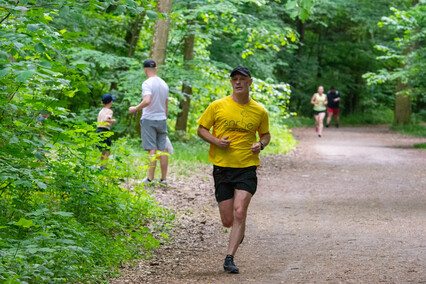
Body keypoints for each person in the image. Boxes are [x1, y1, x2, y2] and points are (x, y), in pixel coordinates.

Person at [197, 66, 271, 274]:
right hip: (222, 168)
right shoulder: (217, 106)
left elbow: (265, 134)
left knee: (240, 212)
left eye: (242, 79)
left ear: (250, 82)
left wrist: (261, 144)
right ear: (231, 82)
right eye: (234, 79)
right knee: (227, 220)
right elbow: (201, 129)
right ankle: (238, 231)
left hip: (247, 167)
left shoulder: (259, 110)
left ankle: (229, 257)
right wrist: (216, 141)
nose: (238, 82)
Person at [129, 59, 169, 186]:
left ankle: (150, 179)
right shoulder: (164, 84)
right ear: (156, 69)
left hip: (149, 119)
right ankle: (163, 179)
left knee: (152, 149)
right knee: (163, 149)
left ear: (145, 70)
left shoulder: (147, 83)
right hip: (162, 118)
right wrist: (164, 117)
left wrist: (135, 108)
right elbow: (166, 104)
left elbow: (147, 100)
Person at [97, 93, 116, 170]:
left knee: (103, 150)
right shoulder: (109, 111)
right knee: (107, 151)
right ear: (110, 102)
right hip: (105, 131)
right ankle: (103, 168)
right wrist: (113, 121)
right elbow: (106, 119)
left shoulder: (101, 111)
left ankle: (101, 166)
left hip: (98, 130)